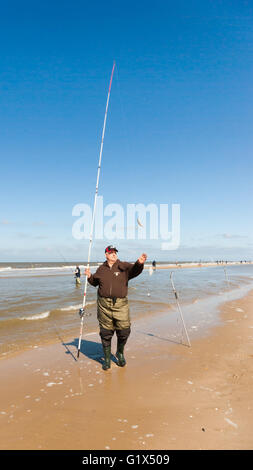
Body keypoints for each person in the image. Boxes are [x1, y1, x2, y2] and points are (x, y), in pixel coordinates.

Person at [85, 245, 147, 370]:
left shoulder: (123, 266)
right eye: (111, 252)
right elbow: (95, 283)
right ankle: (107, 359)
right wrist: (89, 277)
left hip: (120, 304)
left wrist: (139, 263)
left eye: (115, 252)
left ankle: (120, 353)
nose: (114, 254)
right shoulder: (101, 269)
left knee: (124, 330)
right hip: (104, 305)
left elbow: (134, 270)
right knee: (105, 332)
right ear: (106, 255)